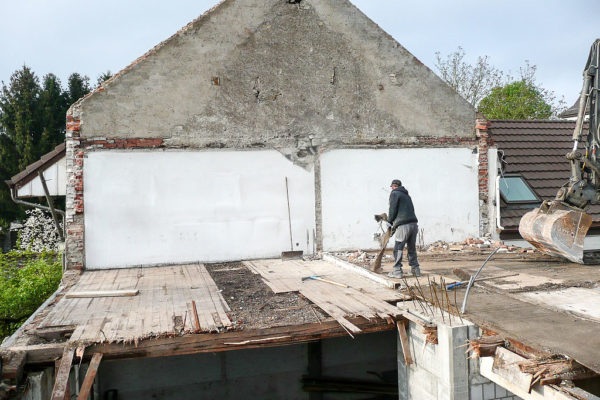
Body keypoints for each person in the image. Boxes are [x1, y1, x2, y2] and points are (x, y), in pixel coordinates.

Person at [386, 179, 420, 278]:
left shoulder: (394, 194)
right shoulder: (407, 195)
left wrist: (389, 221)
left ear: (393, 186)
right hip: (413, 224)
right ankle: (416, 270)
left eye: (391, 187)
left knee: (398, 248)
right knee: (411, 248)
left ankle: (397, 272)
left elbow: (392, 209)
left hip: (403, 225)